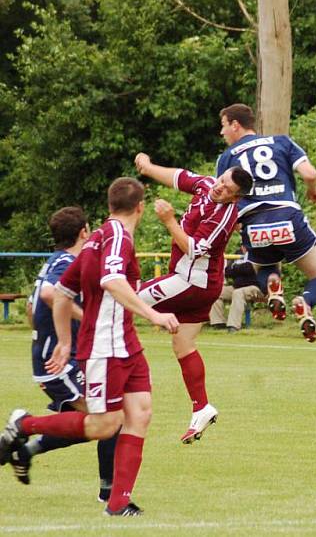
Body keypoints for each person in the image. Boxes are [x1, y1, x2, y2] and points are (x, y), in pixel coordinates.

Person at [0, 177, 180, 516]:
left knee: (139, 413)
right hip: (104, 347)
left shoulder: (98, 238)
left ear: (110, 205)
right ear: (140, 207)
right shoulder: (116, 238)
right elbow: (111, 281)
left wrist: (65, 343)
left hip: (126, 345)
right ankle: (25, 425)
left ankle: (117, 503)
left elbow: (64, 293)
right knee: (104, 425)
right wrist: (153, 315)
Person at [134, 153, 252, 444]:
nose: (219, 188)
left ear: (235, 199)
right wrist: (149, 168)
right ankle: (201, 407)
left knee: (127, 298)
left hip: (191, 282)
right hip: (200, 283)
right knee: (183, 343)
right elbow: (179, 176)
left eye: (227, 190)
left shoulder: (225, 216)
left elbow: (193, 249)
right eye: (222, 181)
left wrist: (169, 221)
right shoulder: (208, 184)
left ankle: (110, 370)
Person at [7, 207, 117, 502]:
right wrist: (85, 320)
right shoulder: (67, 261)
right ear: (84, 232)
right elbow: (50, 294)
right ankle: (110, 494)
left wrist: (44, 333)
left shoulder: (55, 260)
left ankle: (24, 450)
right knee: (109, 419)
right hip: (59, 363)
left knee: (89, 424)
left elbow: (33, 309)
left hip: (58, 359)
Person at [216, 103, 316, 342]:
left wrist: (236, 225)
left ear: (235, 125)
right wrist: (314, 191)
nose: (222, 132)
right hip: (287, 215)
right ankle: (306, 301)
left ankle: (272, 283)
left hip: (253, 222)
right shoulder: (282, 141)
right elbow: (309, 174)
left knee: (265, 263)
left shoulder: (226, 158)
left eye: (223, 126)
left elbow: (222, 198)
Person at [209, 247, 276, 333]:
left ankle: (233, 326)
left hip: (256, 288)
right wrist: (240, 268)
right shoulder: (238, 253)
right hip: (237, 286)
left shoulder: (258, 253)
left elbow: (250, 269)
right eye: (243, 245)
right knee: (216, 291)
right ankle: (218, 324)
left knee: (238, 293)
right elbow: (227, 271)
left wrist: (236, 268)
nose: (244, 247)